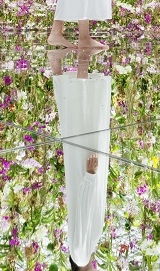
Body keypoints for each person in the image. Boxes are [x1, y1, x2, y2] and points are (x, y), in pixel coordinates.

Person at [53, 60, 111, 270]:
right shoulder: (82, 254)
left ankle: (82, 59)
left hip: (87, 173)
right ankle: (58, 66)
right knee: (81, 124)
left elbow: (83, 213)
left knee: (86, 123)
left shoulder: (81, 256)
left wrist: (90, 176)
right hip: (88, 176)